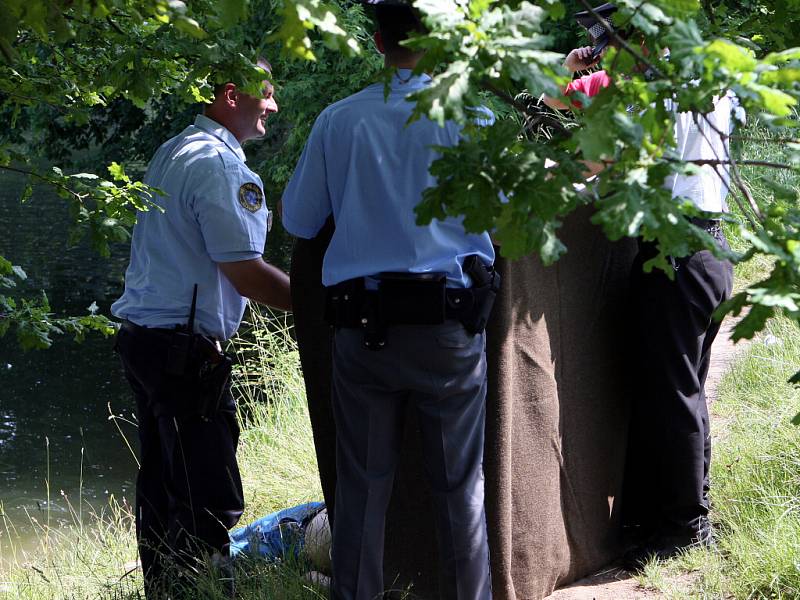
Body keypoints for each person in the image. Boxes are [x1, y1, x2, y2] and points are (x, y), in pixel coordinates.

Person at [280, 3, 497, 599]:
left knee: (362, 492)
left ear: (377, 41)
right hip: (449, 331)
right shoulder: (473, 118)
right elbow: (506, 220)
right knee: (460, 492)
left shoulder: (338, 120)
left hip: (363, 330)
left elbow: (300, 218)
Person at [547, 3, 736, 569]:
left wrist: (574, 68)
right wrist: (583, 66)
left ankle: (683, 528)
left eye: (613, 42)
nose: (607, 53)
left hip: (673, 252)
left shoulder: (636, 90)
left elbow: (572, 123)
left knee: (671, 395)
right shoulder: (709, 73)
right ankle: (684, 514)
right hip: (710, 247)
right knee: (685, 391)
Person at [111, 60, 291, 596]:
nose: (274, 106)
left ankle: (166, 592)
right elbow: (246, 274)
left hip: (146, 341)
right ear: (231, 95)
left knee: (164, 487)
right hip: (182, 350)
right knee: (207, 495)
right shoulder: (220, 166)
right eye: (267, 94)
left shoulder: (176, 148)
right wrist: (320, 307)